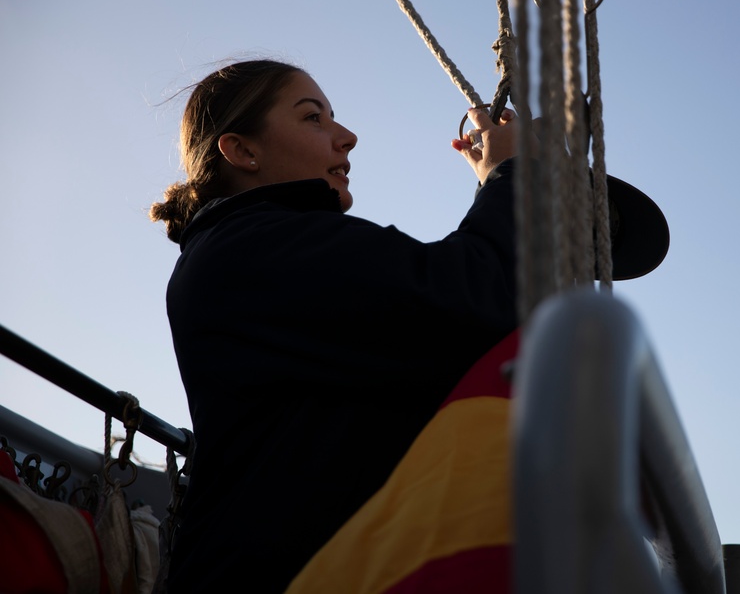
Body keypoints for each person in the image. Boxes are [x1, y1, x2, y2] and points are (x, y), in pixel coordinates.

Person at [149, 59, 520, 593]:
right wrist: (509, 180)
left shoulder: (245, 249)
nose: (347, 138)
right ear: (243, 151)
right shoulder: (251, 249)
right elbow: (474, 306)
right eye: (313, 119)